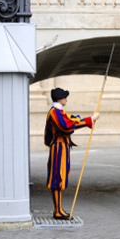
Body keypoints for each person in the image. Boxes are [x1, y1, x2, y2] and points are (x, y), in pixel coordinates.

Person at [44, 88, 100, 220]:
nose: (66, 99)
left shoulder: (58, 112)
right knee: (57, 178)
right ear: (59, 99)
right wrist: (90, 120)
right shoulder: (54, 112)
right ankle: (57, 210)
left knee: (61, 176)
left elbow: (71, 119)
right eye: (64, 97)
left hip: (62, 147)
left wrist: (89, 120)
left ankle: (58, 209)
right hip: (58, 148)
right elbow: (67, 125)